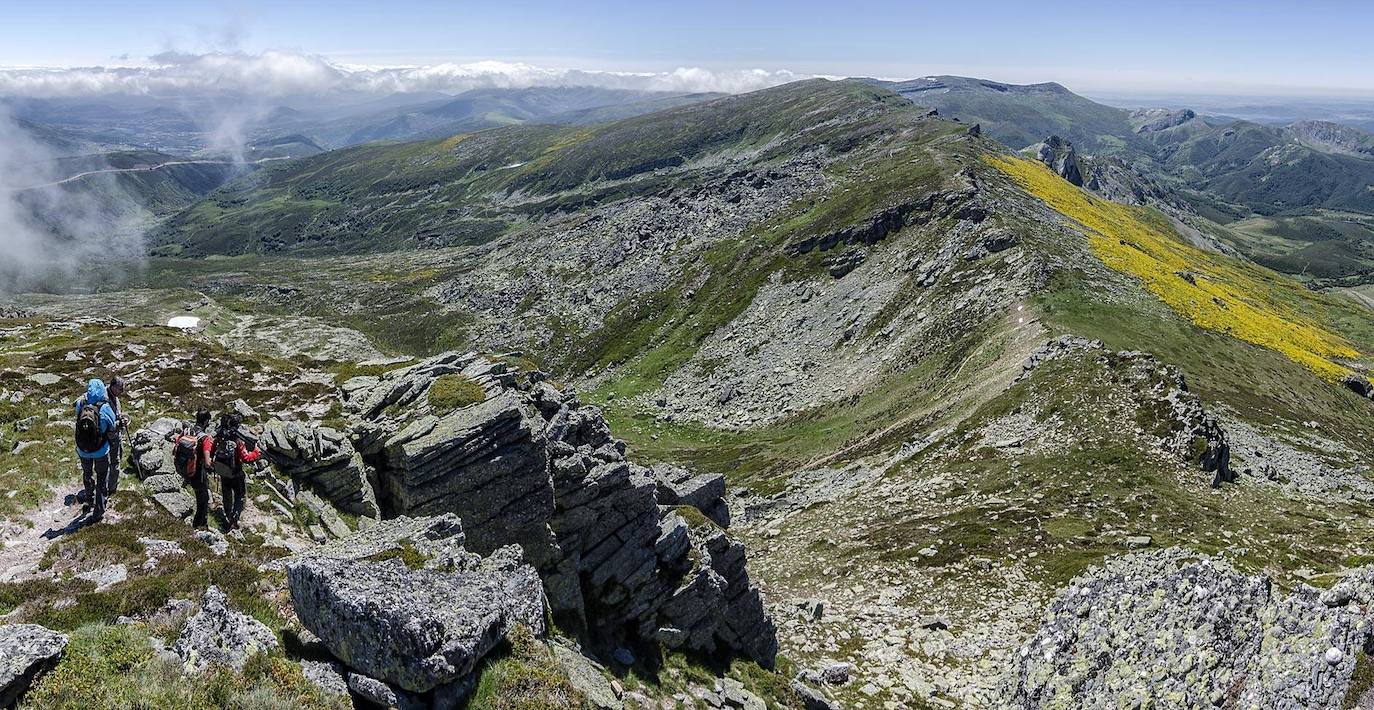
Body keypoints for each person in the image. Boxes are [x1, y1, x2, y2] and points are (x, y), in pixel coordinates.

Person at [73, 379, 117, 521]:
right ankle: (99, 509)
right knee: (102, 476)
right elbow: (112, 425)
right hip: (101, 450)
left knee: (87, 473)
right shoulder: (105, 407)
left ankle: (89, 498)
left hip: (83, 450)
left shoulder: (81, 403)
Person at [208, 412, 261, 530]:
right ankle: (235, 517)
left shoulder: (219, 437)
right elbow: (246, 457)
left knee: (226, 495)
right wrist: (256, 452)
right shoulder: (238, 441)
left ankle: (227, 516)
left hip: (224, 471)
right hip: (236, 471)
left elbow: (211, 451)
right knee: (239, 494)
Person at [166, 409, 213, 529]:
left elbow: (176, 447)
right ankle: (198, 526)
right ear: (206, 421)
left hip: (184, 469)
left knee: (201, 497)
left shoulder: (187, 431)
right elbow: (207, 463)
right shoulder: (205, 438)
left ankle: (201, 524)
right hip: (197, 474)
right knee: (203, 500)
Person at [105, 375, 130, 493]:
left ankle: (111, 481)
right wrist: (118, 423)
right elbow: (105, 421)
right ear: (113, 387)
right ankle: (111, 488)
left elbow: (116, 413)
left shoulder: (114, 397)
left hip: (116, 434)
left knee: (118, 456)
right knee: (113, 461)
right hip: (109, 436)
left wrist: (121, 418)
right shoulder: (104, 399)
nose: (122, 392)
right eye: (120, 389)